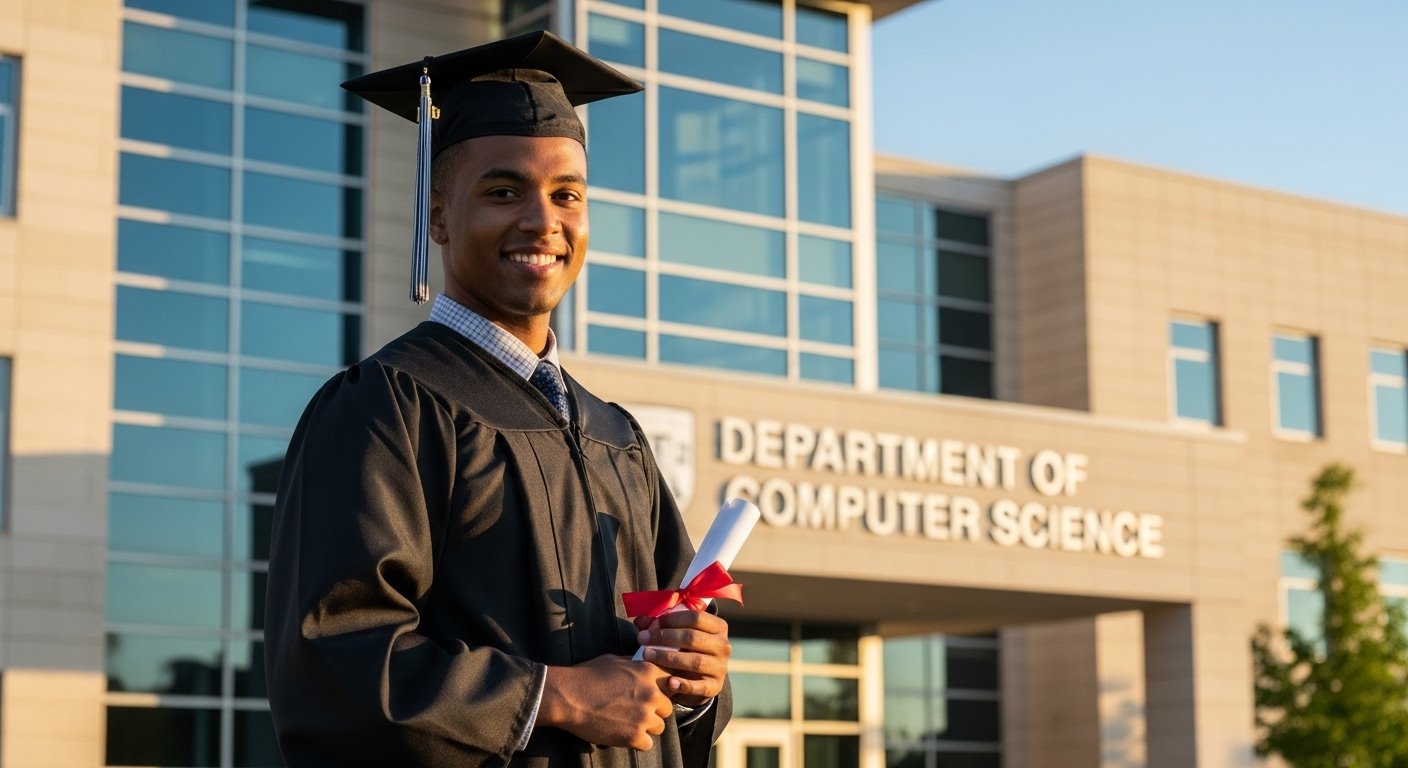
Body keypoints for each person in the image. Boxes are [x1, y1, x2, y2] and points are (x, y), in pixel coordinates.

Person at [263, 31, 732, 768]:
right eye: (504, 191)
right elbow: (333, 661)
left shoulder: (620, 438)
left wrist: (696, 681)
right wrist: (557, 696)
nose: (542, 221)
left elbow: (662, 676)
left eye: (566, 195)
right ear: (439, 216)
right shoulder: (388, 408)